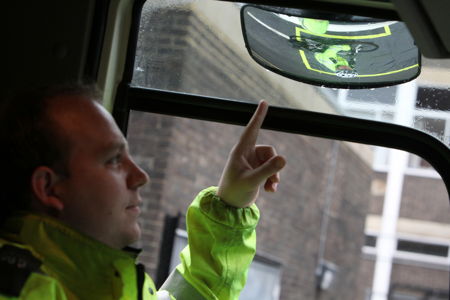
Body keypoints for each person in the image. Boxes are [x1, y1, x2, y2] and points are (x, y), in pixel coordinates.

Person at [0, 84, 286, 300]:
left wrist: (231, 203)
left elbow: (197, 291)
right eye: (113, 160)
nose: (140, 176)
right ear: (49, 188)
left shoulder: (95, 284)